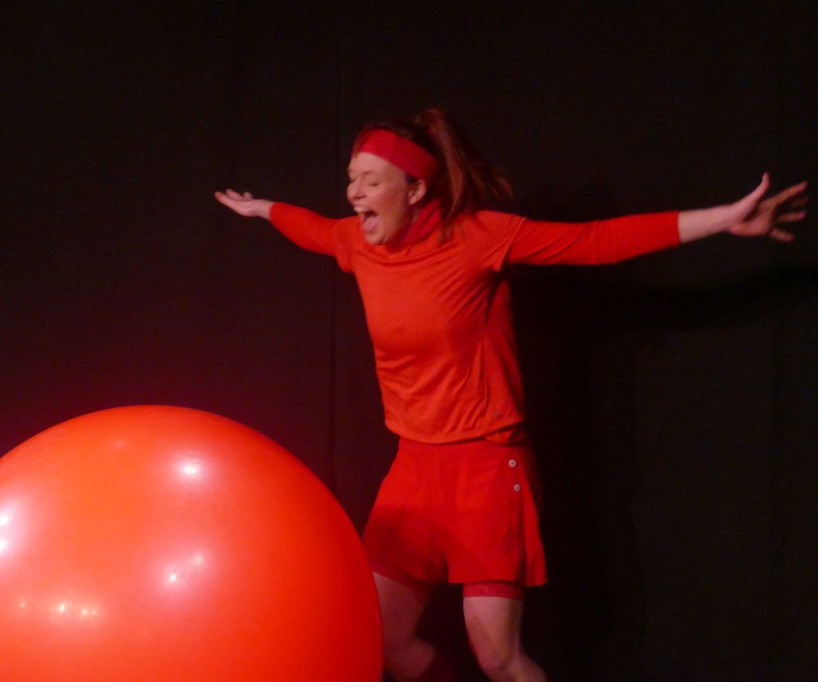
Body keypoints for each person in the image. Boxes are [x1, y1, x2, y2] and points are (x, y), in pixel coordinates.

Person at [214, 108, 808, 682]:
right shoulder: (358, 243)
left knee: (498, 658)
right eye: (351, 179)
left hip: (487, 465)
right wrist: (264, 208)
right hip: (414, 469)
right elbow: (311, 229)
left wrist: (723, 218)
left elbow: (596, 242)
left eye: (371, 181)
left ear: (415, 190)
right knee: (382, 637)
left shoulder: (477, 237)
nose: (354, 194)